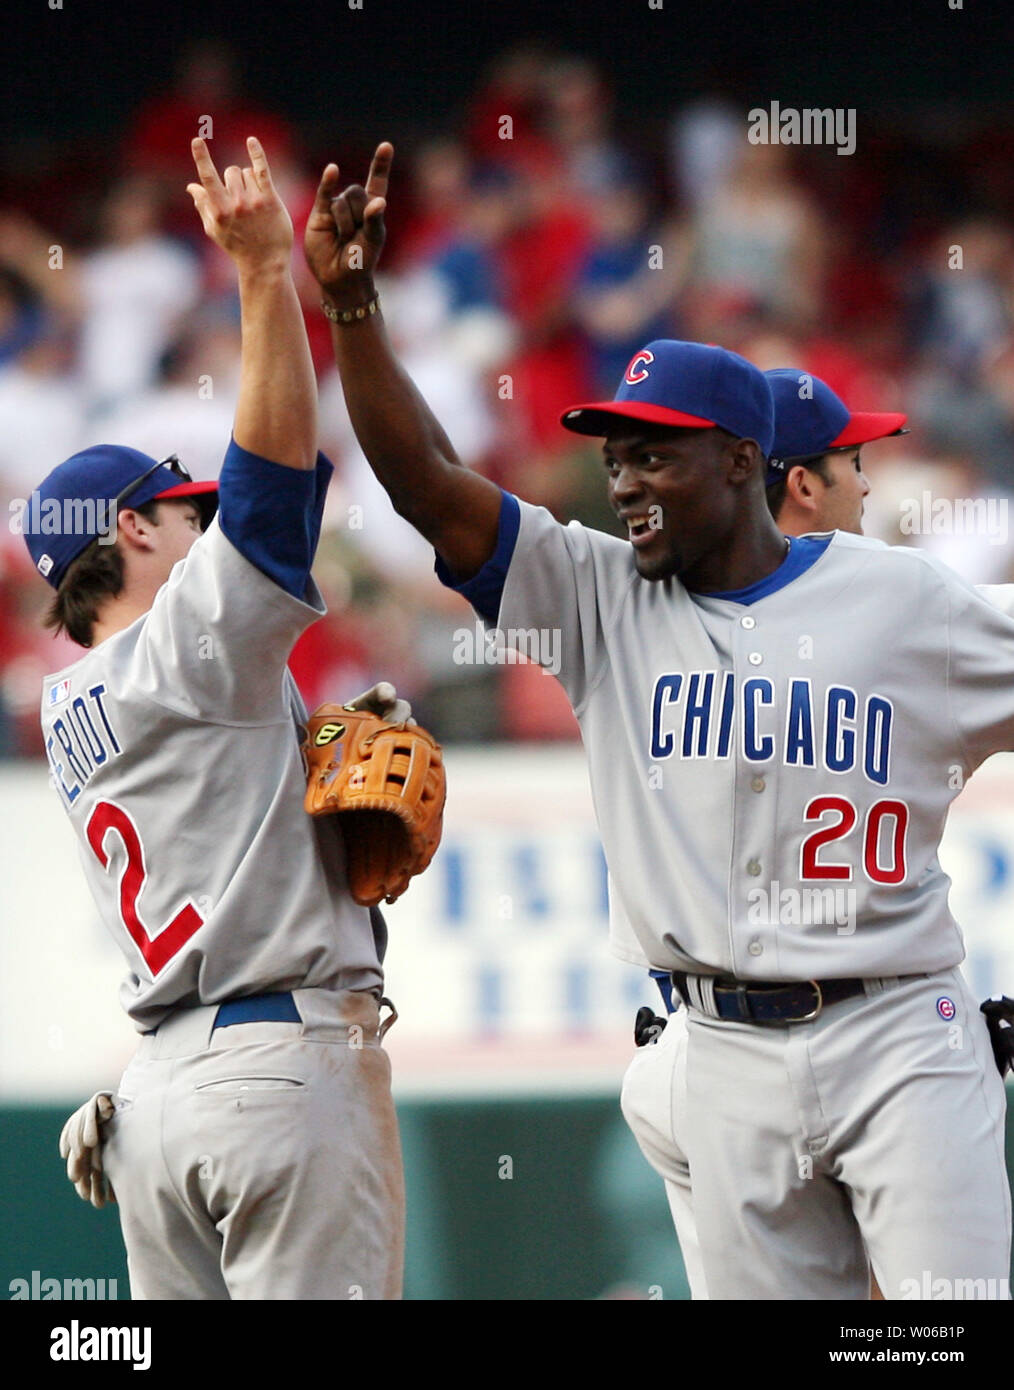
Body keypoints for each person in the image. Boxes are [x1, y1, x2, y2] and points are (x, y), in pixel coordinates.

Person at [303, 143, 1011, 1300]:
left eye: (655, 457)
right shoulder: (597, 596)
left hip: (899, 1030)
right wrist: (352, 308)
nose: (625, 482)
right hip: (717, 1046)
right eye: (618, 457)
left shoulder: (904, 600)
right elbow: (426, 478)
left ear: (740, 460)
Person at [29, 137, 404, 1300]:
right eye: (180, 512)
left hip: (154, 1095)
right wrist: (262, 273)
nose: (202, 529)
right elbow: (275, 490)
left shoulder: (63, 704)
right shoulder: (184, 647)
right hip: (275, 1066)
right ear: (133, 529)